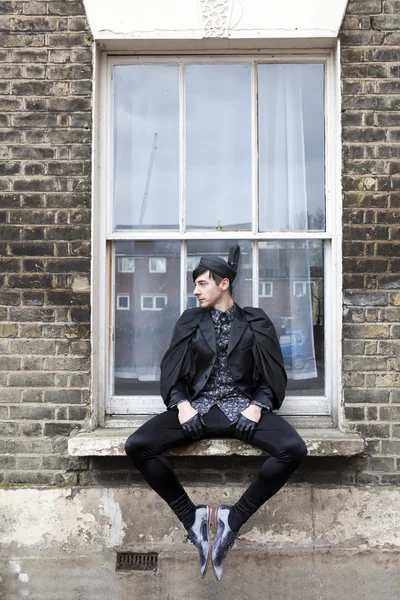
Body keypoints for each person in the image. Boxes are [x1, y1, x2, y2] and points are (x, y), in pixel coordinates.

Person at [125, 244, 308, 581]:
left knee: (293, 449)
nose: (195, 291)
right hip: (199, 410)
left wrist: (257, 407)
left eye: (203, 283)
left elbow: (273, 375)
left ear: (224, 284)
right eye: (195, 284)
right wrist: (182, 406)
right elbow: (173, 373)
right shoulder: (191, 321)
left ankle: (231, 520)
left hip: (242, 410)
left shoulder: (256, 321)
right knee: (138, 444)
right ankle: (191, 517)